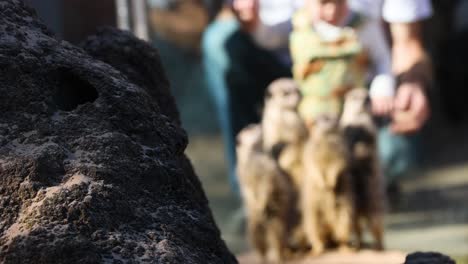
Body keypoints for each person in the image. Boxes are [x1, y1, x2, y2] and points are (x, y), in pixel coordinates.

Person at [202, 0, 432, 192]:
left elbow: (405, 43)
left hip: (358, 89)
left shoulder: (363, 25)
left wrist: (407, 84)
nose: (330, 12)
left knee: (391, 159)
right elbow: (271, 36)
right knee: (220, 40)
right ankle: (259, 192)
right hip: (297, 87)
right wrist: (251, 22)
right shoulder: (301, 20)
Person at [290, 0, 395, 125]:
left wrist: (382, 90)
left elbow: (382, 60)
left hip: (355, 111)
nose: (332, 10)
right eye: (323, 3)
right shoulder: (299, 26)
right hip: (312, 115)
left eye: (339, 2)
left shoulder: (363, 26)